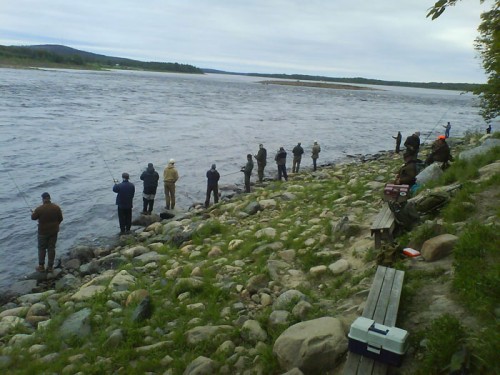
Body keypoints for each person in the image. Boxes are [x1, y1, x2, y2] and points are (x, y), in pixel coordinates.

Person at [31, 192, 63, 272]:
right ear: (49, 198)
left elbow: (33, 218)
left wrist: (33, 212)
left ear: (43, 199)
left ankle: (41, 266)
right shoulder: (56, 207)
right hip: (54, 231)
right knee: (51, 248)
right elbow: (61, 219)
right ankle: (50, 267)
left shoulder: (39, 209)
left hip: (42, 232)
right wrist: (55, 225)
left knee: (41, 249)